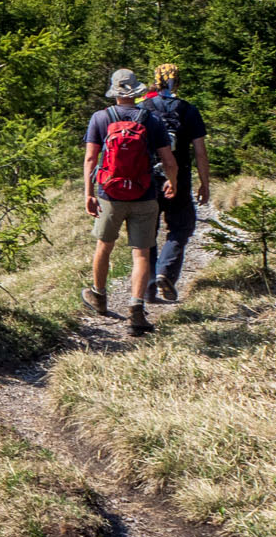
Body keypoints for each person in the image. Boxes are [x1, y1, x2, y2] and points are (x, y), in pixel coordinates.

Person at [83, 68, 180, 336]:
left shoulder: (100, 118)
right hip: (145, 193)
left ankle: (99, 296)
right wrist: (172, 181)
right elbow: (169, 160)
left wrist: (88, 192)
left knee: (104, 246)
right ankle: (136, 309)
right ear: (136, 91)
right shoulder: (152, 120)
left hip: (109, 194)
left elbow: (91, 159)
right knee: (141, 253)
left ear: (115, 92)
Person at [143, 63, 211, 302]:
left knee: (148, 233)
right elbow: (200, 152)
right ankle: (166, 271)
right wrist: (205, 183)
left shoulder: (144, 108)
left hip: (148, 178)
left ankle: (148, 287)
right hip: (179, 178)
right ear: (178, 81)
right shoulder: (188, 110)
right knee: (182, 226)